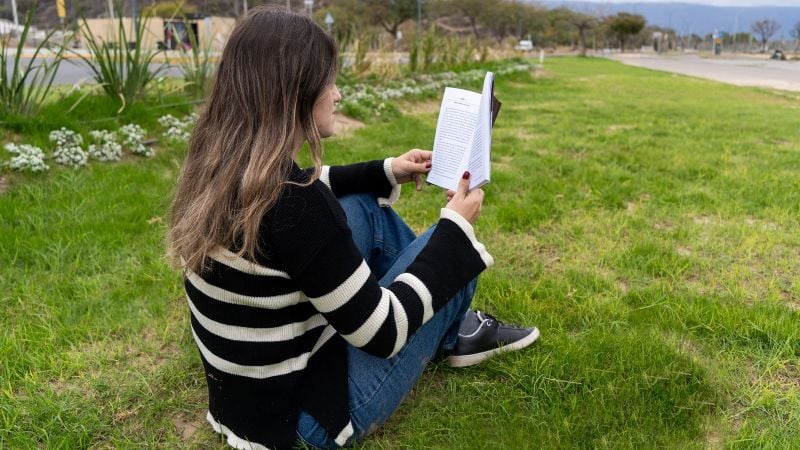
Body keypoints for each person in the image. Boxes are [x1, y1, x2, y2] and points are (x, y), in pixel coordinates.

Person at [167, 7, 539, 450]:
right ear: (297, 93)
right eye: (329, 83)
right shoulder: (297, 207)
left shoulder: (215, 164)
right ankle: (452, 331)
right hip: (305, 419)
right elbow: (382, 334)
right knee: (446, 251)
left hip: (245, 399)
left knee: (362, 205)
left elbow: (314, 184)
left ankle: (436, 319)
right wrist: (455, 229)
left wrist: (386, 170)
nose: (338, 94)